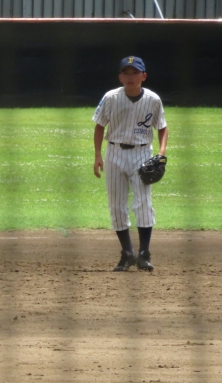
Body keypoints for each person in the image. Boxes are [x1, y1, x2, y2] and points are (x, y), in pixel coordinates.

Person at [92, 56, 168, 272]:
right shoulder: (111, 98)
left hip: (142, 153)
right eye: (126, 73)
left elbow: (162, 127)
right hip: (114, 153)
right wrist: (98, 155)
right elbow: (99, 126)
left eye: (135, 73)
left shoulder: (153, 99)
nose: (130, 77)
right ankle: (127, 253)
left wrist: (161, 154)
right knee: (117, 205)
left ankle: (144, 254)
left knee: (143, 203)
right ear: (120, 77)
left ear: (144, 76)